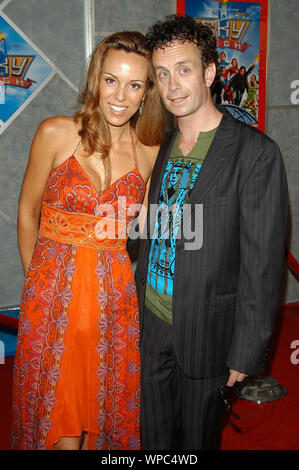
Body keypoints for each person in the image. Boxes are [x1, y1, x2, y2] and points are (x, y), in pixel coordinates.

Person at [135, 15, 288, 450]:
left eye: (184, 69)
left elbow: (262, 267)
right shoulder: (160, 145)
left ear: (209, 72)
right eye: (162, 74)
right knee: (155, 441)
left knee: (199, 443)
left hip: (208, 331)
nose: (173, 85)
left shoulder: (254, 154)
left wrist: (245, 352)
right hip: (152, 323)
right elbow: (149, 230)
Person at [12, 31, 166, 451]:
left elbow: (148, 230)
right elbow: (27, 213)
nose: (121, 95)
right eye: (112, 80)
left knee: (99, 416)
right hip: (52, 296)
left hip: (112, 300)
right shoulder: (56, 133)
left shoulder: (149, 149)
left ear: (146, 92)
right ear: (96, 78)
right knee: (58, 420)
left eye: (134, 85)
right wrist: (36, 283)